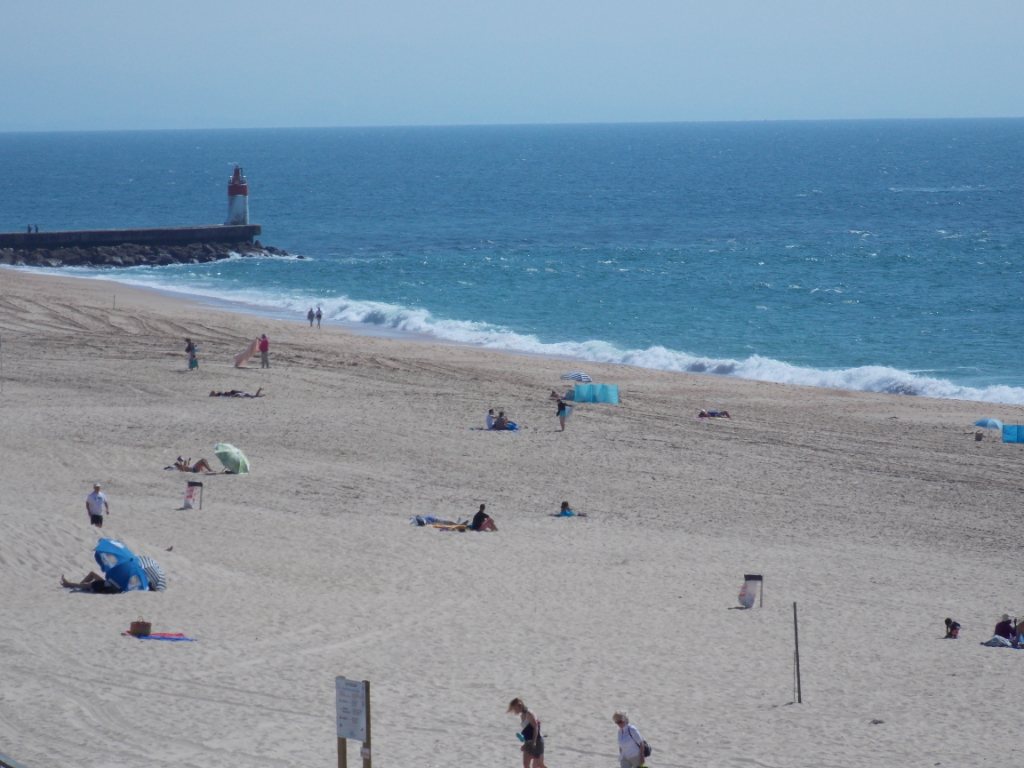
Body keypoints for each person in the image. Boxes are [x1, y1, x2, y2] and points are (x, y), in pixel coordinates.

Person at [508, 698, 548, 768]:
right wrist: (525, 744)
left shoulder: (529, 713)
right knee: (526, 764)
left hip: (537, 740)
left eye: (515, 708)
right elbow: (528, 731)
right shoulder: (522, 715)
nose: (514, 711)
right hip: (528, 741)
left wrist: (534, 742)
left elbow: (536, 728)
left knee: (539, 764)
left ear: (520, 706)